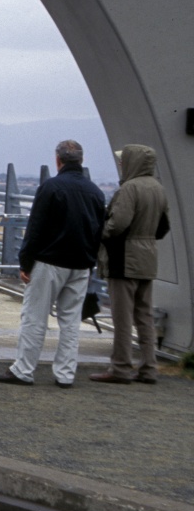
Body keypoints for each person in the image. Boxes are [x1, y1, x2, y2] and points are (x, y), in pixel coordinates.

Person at [0, 140, 106, 387]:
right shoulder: (96, 192)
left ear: (58, 160)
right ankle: (65, 374)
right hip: (81, 265)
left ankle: (23, 370)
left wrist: (25, 262)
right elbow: (100, 231)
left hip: (49, 262)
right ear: (82, 160)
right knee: (71, 322)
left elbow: (36, 228)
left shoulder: (51, 187)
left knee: (35, 318)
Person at [90, 144, 170, 385]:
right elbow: (163, 226)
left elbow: (119, 224)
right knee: (144, 315)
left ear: (133, 162)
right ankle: (149, 367)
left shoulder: (130, 188)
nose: (121, 164)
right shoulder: (158, 188)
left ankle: (121, 367)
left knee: (122, 316)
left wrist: (101, 232)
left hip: (124, 258)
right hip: (148, 257)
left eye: (124, 161)